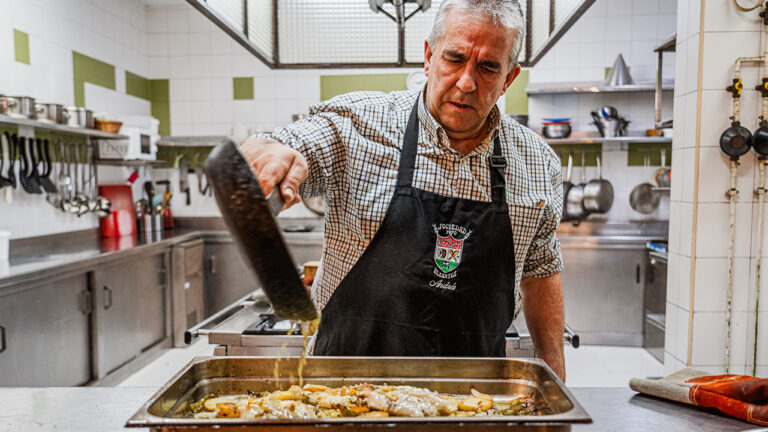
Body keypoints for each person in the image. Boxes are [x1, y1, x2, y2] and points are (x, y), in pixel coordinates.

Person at [240, 0, 565, 381]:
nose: (466, 82)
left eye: (488, 67)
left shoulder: (538, 163)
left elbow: (541, 269)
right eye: (455, 58)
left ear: (509, 77)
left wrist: (555, 381)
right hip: (341, 391)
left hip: (472, 400)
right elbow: (289, 143)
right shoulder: (358, 125)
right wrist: (264, 151)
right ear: (428, 57)